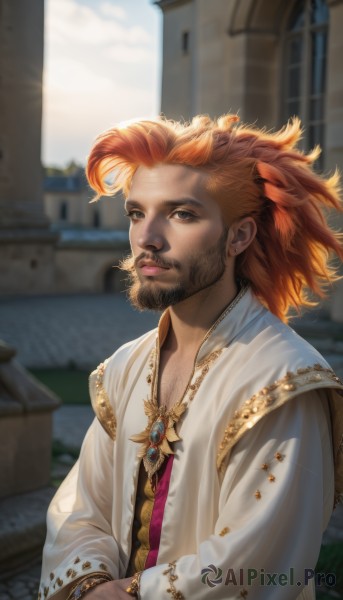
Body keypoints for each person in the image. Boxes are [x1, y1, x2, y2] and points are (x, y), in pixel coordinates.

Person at [39, 114, 343, 600]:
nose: (147, 239)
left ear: (239, 237)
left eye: (181, 214)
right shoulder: (124, 367)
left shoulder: (284, 381)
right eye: (137, 213)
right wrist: (90, 586)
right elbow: (80, 510)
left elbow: (253, 566)